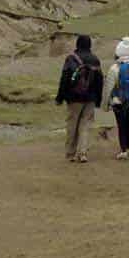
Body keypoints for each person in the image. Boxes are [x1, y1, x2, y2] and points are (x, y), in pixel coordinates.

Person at [55, 33, 103, 163]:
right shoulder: (95, 60)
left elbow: (64, 79)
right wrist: (98, 99)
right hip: (90, 99)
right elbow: (99, 81)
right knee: (85, 125)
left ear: (77, 44)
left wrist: (60, 97)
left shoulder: (71, 59)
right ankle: (82, 153)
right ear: (89, 45)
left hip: (74, 98)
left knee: (72, 124)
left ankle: (71, 153)